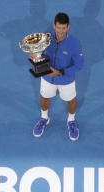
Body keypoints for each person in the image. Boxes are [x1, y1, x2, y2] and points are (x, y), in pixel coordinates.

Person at [32, 12, 85, 141]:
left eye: (64, 28)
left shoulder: (75, 43)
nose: (60, 31)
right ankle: (44, 117)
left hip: (65, 79)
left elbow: (79, 66)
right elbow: (39, 51)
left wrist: (59, 72)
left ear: (68, 27)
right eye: (58, 27)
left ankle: (71, 121)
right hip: (47, 77)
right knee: (44, 97)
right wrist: (35, 55)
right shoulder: (46, 36)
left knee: (71, 100)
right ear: (54, 25)